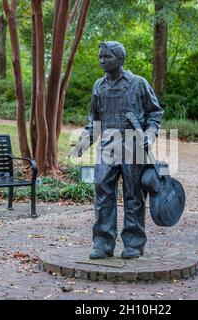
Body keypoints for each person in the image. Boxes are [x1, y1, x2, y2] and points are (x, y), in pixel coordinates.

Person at [69, 41, 163, 259]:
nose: (102, 61)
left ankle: (134, 242)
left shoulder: (138, 84)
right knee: (102, 192)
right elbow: (95, 121)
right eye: (100, 57)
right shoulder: (98, 87)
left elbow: (154, 112)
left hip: (134, 145)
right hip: (108, 146)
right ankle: (102, 242)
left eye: (107, 57)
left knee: (134, 195)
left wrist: (150, 134)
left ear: (119, 59)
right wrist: (84, 143)